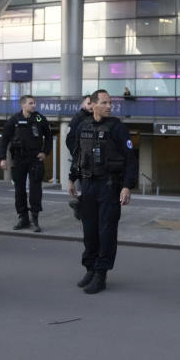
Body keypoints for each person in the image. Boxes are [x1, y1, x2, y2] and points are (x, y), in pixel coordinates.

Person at [67, 90, 137, 294]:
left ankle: (101, 274)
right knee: (89, 230)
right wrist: (72, 178)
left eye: (110, 102)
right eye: (104, 102)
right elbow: (78, 155)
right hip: (88, 185)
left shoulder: (117, 128)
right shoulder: (83, 126)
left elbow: (130, 159)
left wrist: (126, 186)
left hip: (109, 186)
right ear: (93, 104)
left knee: (106, 232)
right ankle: (90, 268)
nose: (109, 106)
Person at [0, 95, 53, 232]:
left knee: (36, 189)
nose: (33, 105)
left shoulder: (39, 118)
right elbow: (4, 139)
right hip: (19, 159)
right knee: (19, 189)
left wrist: (45, 152)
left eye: (34, 103)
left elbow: (48, 137)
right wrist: (2, 158)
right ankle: (23, 218)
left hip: (35, 158)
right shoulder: (14, 120)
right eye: (30, 103)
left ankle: (34, 218)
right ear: (23, 105)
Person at [65, 94, 93, 219]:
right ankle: (81, 208)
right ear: (82, 105)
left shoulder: (95, 118)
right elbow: (70, 140)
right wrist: (79, 155)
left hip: (93, 161)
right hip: (83, 161)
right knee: (88, 188)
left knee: (91, 189)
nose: (91, 106)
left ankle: (81, 206)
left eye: (93, 103)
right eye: (88, 103)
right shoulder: (78, 119)